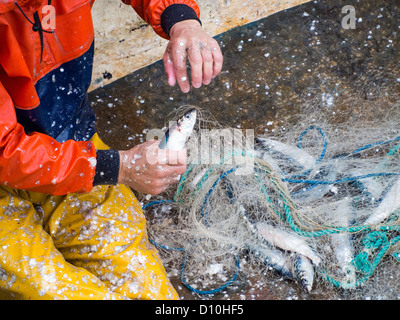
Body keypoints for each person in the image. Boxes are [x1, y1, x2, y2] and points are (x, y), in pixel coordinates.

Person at [0, 0, 223, 300]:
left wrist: (181, 19)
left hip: (69, 146)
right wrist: (120, 167)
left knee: (149, 291)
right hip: (18, 164)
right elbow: (6, 152)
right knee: (52, 289)